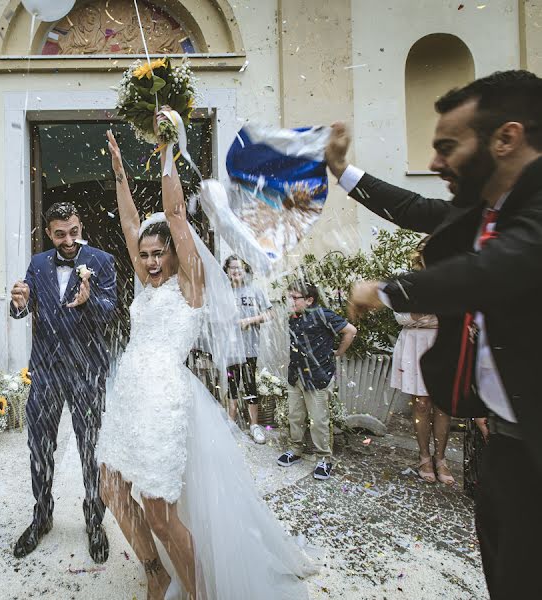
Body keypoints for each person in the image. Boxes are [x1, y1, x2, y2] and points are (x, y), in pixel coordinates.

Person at [338, 70, 542, 599]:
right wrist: (341, 171)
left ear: (506, 138)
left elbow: (495, 271)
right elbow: (414, 208)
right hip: (507, 444)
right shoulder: (485, 211)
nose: (434, 162)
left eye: (448, 147)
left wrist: (385, 290)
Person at [98, 124, 314, 599]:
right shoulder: (148, 281)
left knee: (158, 510)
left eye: (159, 254)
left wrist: (167, 151)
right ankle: (154, 570)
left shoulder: (190, 284)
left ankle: (193, 592)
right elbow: (130, 223)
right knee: (111, 488)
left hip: (163, 401)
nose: (151, 262)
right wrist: (119, 175)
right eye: (146, 256)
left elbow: (174, 212)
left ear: (177, 253)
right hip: (130, 394)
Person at [9, 201, 117, 562]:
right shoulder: (38, 263)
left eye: (73, 231)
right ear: (49, 232)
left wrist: (89, 301)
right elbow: (25, 306)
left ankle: (94, 517)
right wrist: (18, 302)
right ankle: (42, 515)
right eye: (60, 234)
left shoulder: (101, 260)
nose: (68, 240)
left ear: (80, 224)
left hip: (87, 369)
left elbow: (111, 311)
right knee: (39, 447)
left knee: (91, 447)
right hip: (46, 370)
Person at [278, 282, 356, 480]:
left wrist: (338, 352)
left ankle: (324, 459)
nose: (291, 301)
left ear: (309, 300)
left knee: (319, 421)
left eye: (295, 298)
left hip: (317, 377)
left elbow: (351, 331)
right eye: (290, 297)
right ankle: (295, 450)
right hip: (296, 375)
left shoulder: (324, 315)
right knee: (295, 416)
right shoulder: (293, 318)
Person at [390, 239, 452, 484]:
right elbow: (401, 317)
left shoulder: (451, 280)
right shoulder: (408, 283)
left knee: (443, 404)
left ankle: (441, 458)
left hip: (443, 343)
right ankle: (424, 456)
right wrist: (424, 312)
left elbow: (455, 315)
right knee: (422, 404)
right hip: (415, 346)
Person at [223, 255, 271, 443]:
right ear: (227, 271)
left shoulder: (255, 290)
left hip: (250, 349)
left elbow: (270, 313)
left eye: (240, 268)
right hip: (230, 350)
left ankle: (254, 425)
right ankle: (231, 423)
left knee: (250, 386)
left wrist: (250, 321)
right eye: (232, 267)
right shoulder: (223, 292)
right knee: (232, 386)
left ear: (246, 271)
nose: (236, 271)